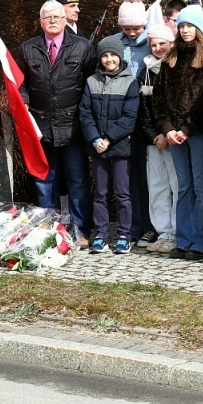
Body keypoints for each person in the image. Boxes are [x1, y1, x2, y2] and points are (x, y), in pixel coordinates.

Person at [14, 0, 97, 247]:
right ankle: (49, 230)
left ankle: (81, 230)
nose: (52, 21)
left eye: (57, 17)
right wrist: (25, 103)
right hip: (41, 127)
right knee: (45, 181)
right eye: (47, 17)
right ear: (40, 22)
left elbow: (92, 84)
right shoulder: (28, 49)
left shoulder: (83, 47)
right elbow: (20, 84)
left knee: (78, 181)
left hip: (74, 127)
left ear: (65, 20)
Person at [153, 4, 203, 260]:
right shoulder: (170, 59)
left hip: (197, 132)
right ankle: (184, 239)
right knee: (183, 186)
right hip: (174, 134)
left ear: (199, 28)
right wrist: (168, 128)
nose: (185, 30)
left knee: (201, 186)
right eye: (181, 26)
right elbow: (158, 98)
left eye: (190, 26)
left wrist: (187, 128)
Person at [80, 35, 140, 255]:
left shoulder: (130, 82)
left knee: (123, 193)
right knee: (100, 193)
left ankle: (124, 235)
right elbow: (85, 114)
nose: (109, 59)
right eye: (105, 55)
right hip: (97, 147)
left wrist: (108, 139)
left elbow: (129, 117)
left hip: (120, 146)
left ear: (120, 56)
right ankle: (101, 235)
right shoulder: (91, 81)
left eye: (113, 55)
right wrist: (95, 139)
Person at [112, 0, 154, 245]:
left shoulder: (152, 42)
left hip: (145, 114)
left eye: (136, 28)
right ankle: (133, 225)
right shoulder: (114, 44)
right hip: (121, 114)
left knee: (147, 175)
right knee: (129, 177)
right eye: (126, 28)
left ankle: (151, 224)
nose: (131, 33)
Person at [139, 24, 179, 254]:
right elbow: (143, 109)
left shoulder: (177, 67)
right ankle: (162, 231)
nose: (157, 48)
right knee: (157, 187)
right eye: (153, 44)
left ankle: (176, 231)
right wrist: (154, 135)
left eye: (162, 43)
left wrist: (168, 132)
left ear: (171, 43)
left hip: (174, 137)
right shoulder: (145, 71)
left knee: (176, 185)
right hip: (153, 140)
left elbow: (177, 106)